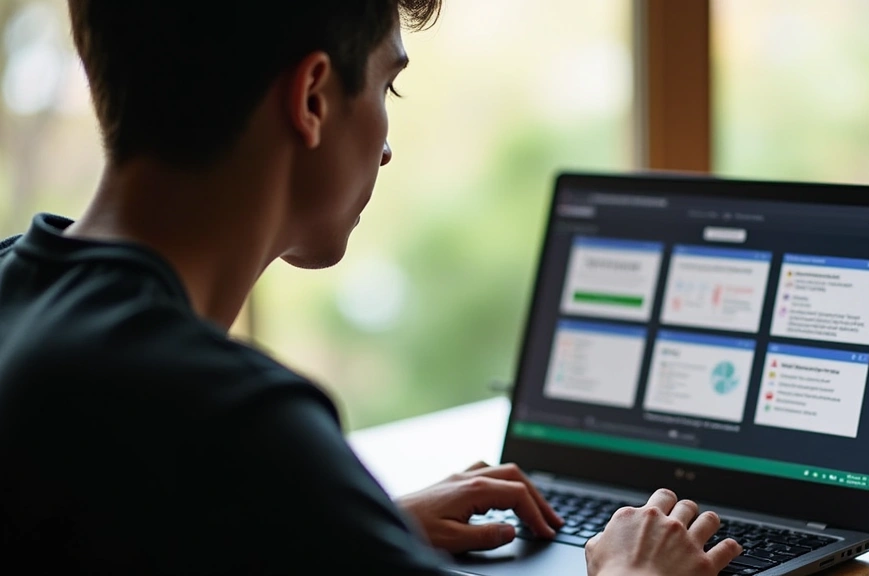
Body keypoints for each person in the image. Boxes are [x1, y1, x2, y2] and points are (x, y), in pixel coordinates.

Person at [0, 1, 742, 574]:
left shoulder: (20, 303)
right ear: (313, 98)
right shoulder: (235, 423)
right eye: (389, 84)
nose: (386, 146)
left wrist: (347, 526)